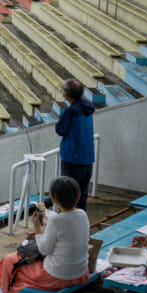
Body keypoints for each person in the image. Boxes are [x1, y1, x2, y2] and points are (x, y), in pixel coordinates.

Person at [0, 176, 90, 293]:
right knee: (17, 262)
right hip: (81, 272)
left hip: (59, 277)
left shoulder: (56, 220)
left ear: (54, 198)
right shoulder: (82, 214)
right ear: (78, 196)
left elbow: (44, 250)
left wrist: (37, 230)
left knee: (10, 262)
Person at [55, 78, 96, 211]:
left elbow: (60, 130)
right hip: (87, 160)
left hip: (72, 161)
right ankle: (81, 226)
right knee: (81, 197)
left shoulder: (71, 111)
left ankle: (68, 229)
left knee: (68, 198)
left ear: (66, 94)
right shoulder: (87, 108)